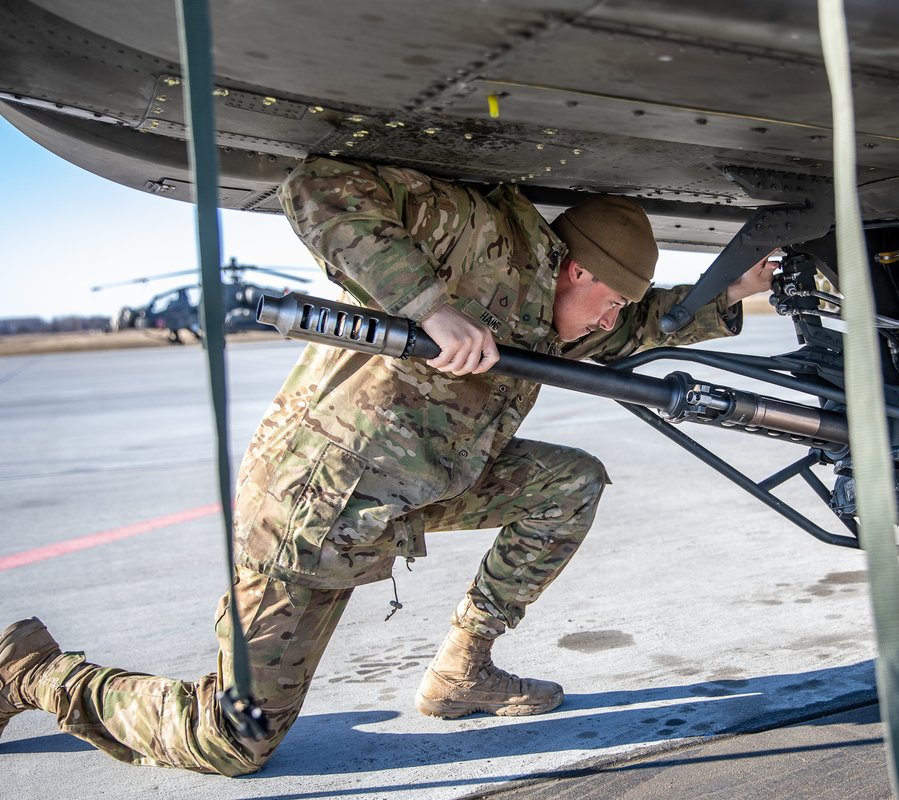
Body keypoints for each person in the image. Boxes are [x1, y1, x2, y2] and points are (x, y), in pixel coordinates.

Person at [0, 156, 776, 775]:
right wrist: (427, 304)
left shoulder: (562, 314)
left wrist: (736, 287)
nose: (611, 324)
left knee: (570, 483)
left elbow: (641, 326)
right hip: (316, 506)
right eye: (608, 303)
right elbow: (315, 184)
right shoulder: (478, 238)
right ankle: (33, 671)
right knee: (232, 739)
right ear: (575, 269)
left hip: (418, 489)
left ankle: (462, 669)